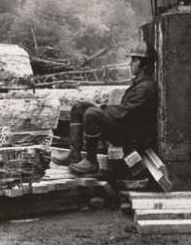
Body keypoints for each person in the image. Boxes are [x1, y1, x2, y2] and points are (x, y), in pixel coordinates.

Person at [53, 41, 157, 176]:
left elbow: (125, 114)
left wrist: (101, 110)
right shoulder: (140, 83)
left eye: (134, 60)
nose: (130, 63)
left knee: (91, 113)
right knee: (79, 107)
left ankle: (91, 162)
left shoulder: (146, 88)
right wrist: (102, 108)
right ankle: (75, 156)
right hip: (123, 126)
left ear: (145, 64)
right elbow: (123, 111)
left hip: (129, 135)